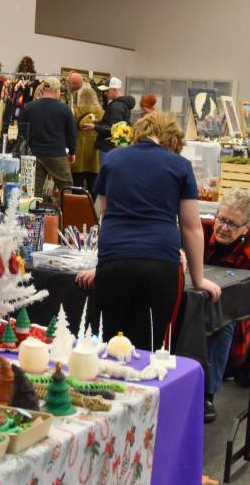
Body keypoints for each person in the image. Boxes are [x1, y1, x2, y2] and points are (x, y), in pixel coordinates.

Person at [75, 111, 221, 350]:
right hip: (159, 264)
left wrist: (101, 264)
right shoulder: (180, 165)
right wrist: (199, 278)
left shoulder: (112, 159)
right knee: (149, 347)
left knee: (107, 342)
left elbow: (103, 215)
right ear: (172, 139)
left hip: (115, 262)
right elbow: (192, 227)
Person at [200, 189, 250, 423]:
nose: (224, 227)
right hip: (200, 300)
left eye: (232, 224)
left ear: (246, 227)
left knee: (223, 325)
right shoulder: (201, 232)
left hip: (239, 312)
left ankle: (208, 394)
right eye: (222, 219)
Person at [17, 77, 76, 202]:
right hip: (57, 155)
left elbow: (22, 133)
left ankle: (32, 218)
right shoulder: (64, 109)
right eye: (60, 90)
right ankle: (63, 218)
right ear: (56, 91)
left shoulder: (29, 107)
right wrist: (72, 152)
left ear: (44, 89)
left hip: (35, 155)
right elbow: (71, 133)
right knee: (66, 189)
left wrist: (24, 153)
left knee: (33, 191)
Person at [72, 85, 104, 192]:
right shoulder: (101, 113)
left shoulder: (76, 111)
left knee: (77, 186)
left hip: (79, 149)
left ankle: (77, 206)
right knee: (93, 188)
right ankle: (91, 207)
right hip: (94, 151)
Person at [94, 77, 135, 154]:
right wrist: (98, 123)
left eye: (107, 90)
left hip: (109, 147)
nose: (105, 93)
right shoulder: (123, 104)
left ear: (115, 89)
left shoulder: (116, 106)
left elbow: (113, 129)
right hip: (118, 146)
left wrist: (95, 126)